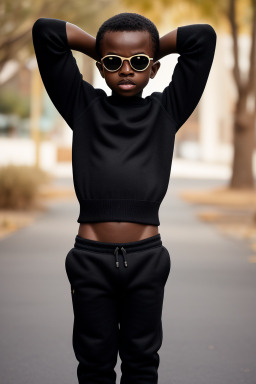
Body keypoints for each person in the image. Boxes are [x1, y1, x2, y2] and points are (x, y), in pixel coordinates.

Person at [32, 12, 216, 384]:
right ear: (100, 67)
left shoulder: (167, 110)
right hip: (90, 260)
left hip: (147, 261)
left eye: (139, 62)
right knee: (94, 366)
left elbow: (203, 38)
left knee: (141, 363)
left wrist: (145, 44)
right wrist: (104, 46)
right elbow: (45, 33)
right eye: (114, 62)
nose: (127, 70)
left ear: (154, 68)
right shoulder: (82, 107)